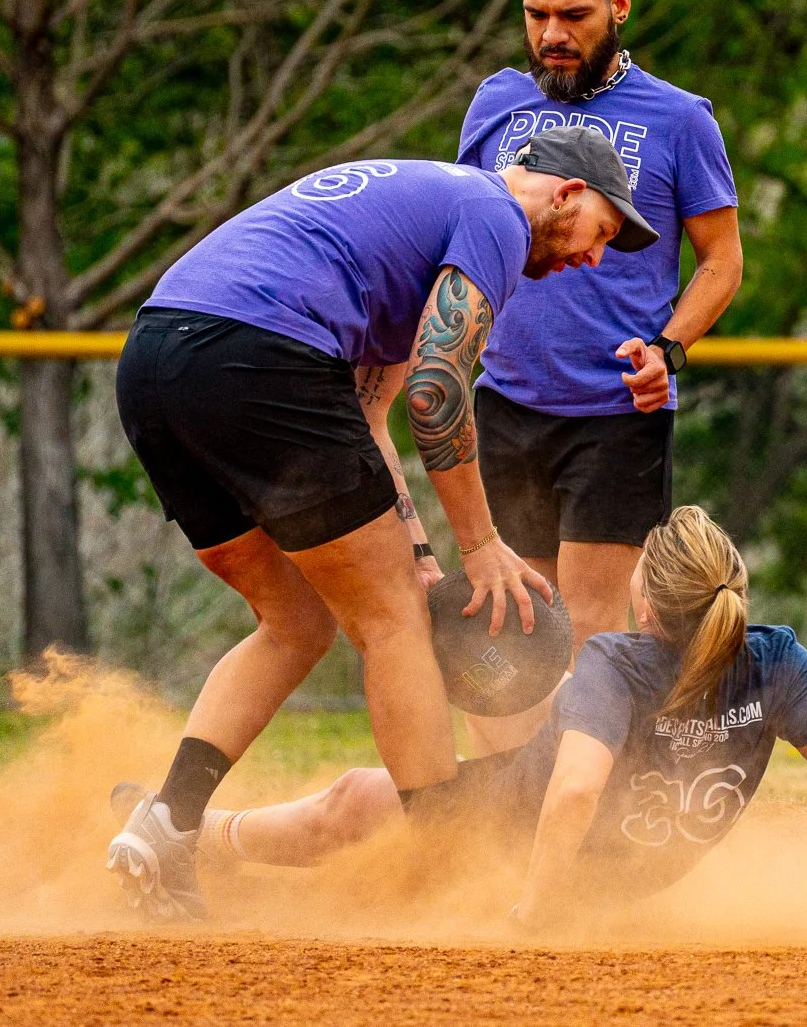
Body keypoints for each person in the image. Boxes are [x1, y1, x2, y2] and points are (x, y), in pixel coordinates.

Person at [107, 126, 658, 921]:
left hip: (159, 361)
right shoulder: (496, 215)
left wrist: (423, 553)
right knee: (391, 617)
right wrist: (482, 544)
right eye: (601, 231)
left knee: (296, 621)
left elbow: (372, 419)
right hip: (259, 356)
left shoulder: (417, 226)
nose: (593, 257)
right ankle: (442, 860)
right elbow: (438, 393)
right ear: (565, 191)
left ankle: (167, 821)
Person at [116, 507, 807, 940]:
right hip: (624, 874)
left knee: (354, 802)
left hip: (506, 838)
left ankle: (204, 835)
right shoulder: (777, 659)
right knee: (536, 690)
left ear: (648, 606)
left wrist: (534, 911)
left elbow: (574, 794)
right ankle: (205, 835)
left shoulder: (618, 664)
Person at [455, 0, 747, 753]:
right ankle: (510, 804)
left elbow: (722, 264)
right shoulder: (493, 105)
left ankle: (583, 813)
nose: (553, 33)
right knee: (504, 623)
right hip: (504, 399)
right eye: (536, 13)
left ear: (618, 6)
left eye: (574, 13)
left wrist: (670, 348)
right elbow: (467, 233)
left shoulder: (679, 119)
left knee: (585, 626)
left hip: (615, 410)